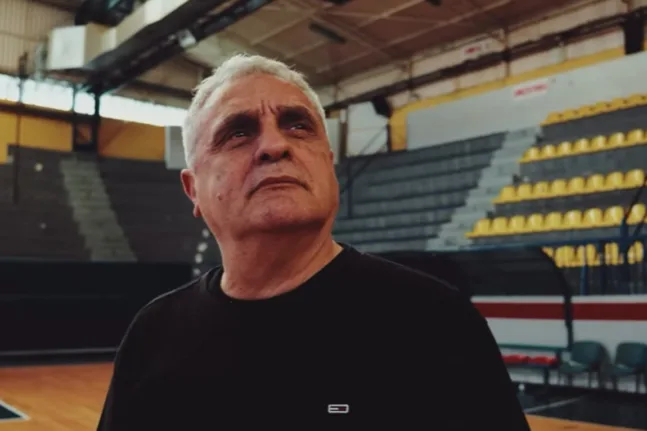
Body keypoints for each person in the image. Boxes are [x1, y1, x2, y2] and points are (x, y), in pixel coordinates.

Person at [97, 54, 530, 430]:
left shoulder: (435, 322)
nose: (274, 145)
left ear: (328, 164)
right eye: (239, 132)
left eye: (298, 126)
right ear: (193, 190)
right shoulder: (152, 335)